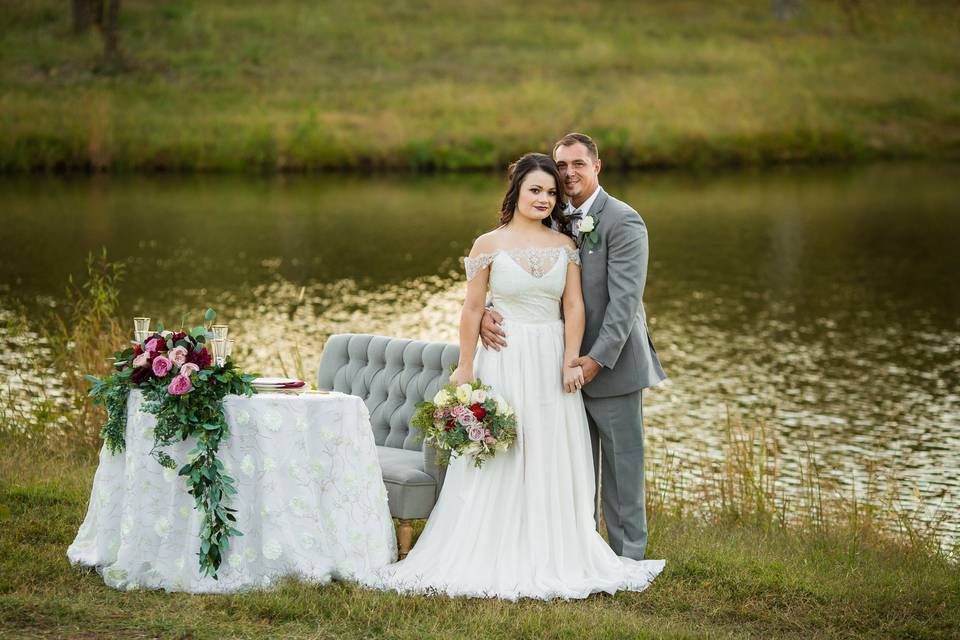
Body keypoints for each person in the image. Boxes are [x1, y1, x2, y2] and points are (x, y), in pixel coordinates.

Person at [359, 152, 664, 600]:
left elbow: (575, 306)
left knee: (552, 452)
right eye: (536, 190)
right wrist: (466, 363)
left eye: (550, 192)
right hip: (504, 360)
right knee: (504, 453)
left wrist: (573, 358)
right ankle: (495, 545)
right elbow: (471, 307)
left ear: (595, 167)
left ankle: (572, 548)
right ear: (516, 192)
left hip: (553, 360)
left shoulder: (570, 243)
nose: (545, 197)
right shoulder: (488, 244)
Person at [481, 133, 667, 561]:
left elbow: (624, 303)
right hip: (554, 364)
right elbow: (524, 272)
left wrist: (596, 360)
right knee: (572, 467)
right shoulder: (553, 214)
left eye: (577, 164)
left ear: (596, 166)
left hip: (611, 363)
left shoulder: (623, 220)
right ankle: (576, 550)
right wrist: (491, 308)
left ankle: (627, 557)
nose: (568, 173)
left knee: (622, 467)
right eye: (561, 165)